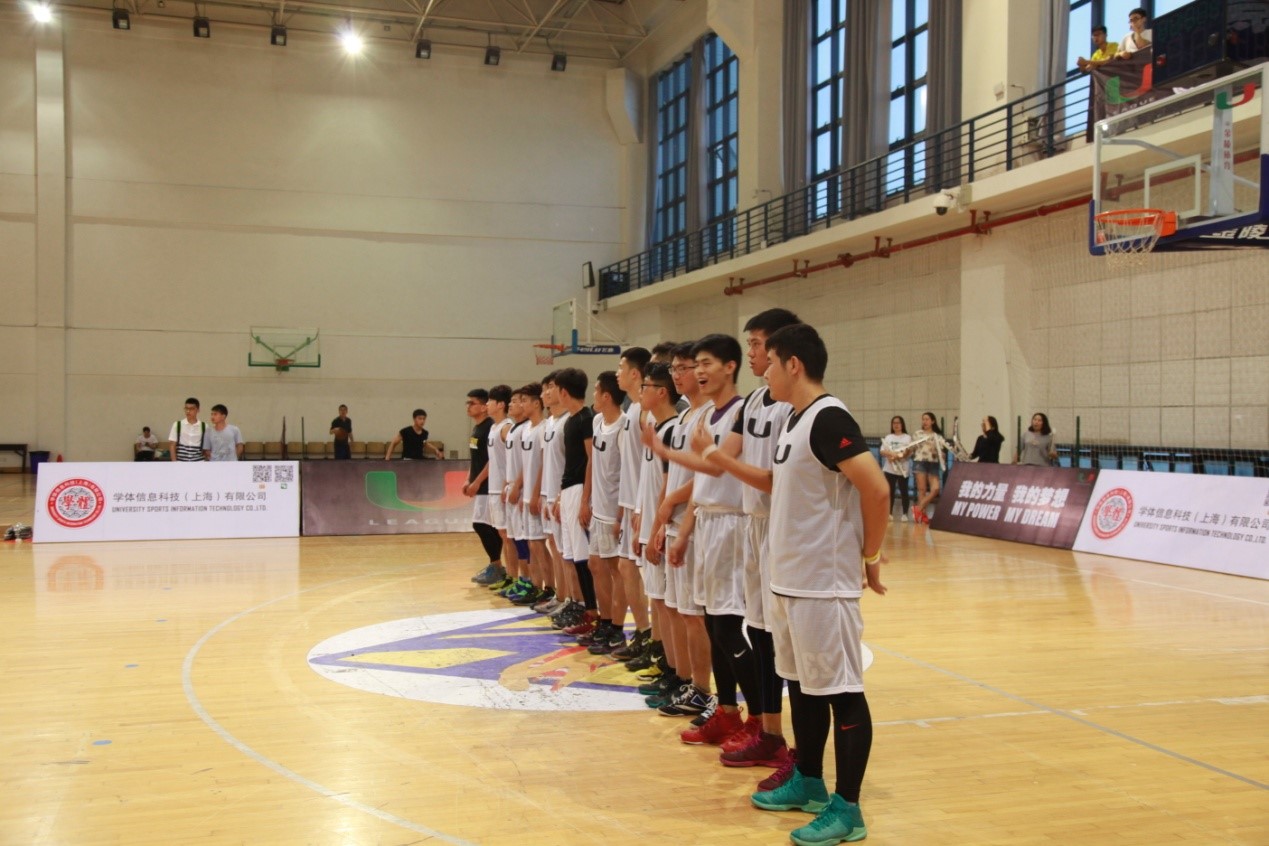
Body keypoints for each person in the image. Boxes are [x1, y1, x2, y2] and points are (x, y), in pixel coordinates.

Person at [748, 323, 888, 846]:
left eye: (769, 361)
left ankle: (848, 809)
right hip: (788, 582)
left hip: (823, 585)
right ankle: (808, 781)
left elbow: (876, 490)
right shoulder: (793, 419)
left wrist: (870, 556)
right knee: (801, 687)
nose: (763, 371)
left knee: (843, 694)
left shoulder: (829, 417)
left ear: (794, 364)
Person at [462, 389, 503, 585]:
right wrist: (468, 479)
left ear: (484, 406)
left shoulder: (489, 428)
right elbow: (476, 459)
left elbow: (492, 460)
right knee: (488, 526)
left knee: (482, 525)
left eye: (472, 403)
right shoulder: (476, 429)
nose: (468, 406)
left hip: (489, 485)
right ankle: (496, 565)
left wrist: (478, 481)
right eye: (467, 403)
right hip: (480, 485)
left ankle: (497, 566)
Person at [910, 412, 949, 525]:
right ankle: (922, 515)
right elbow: (911, 448)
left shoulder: (937, 436)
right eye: (923, 419)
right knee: (922, 490)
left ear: (933, 421)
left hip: (933, 463)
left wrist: (942, 455)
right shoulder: (918, 434)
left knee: (935, 489)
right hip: (920, 461)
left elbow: (941, 451)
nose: (925, 422)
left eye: (927, 419)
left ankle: (918, 508)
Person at [879, 416, 913, 522]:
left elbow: (908, 451)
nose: (896, 425)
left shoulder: (907, 437)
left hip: (903, 469)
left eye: (898, 423)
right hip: (889, 469)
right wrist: (890, 454)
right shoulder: (888, 437)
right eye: (894, 423)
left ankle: (905, 514)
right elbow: (882, 451)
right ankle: (889, 513)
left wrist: (898, 456)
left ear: (902, 424)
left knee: (904, 491)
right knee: (890, 492)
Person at [168, 398, 207, 462]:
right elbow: (172, 445)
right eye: (186, 408)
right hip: (181, 462)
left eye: (191, 409)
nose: (188, 411)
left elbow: (206, 447)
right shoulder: (177, 424)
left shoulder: (204, 426)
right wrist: (174, 463)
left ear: (198, 410)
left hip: (199, 462)